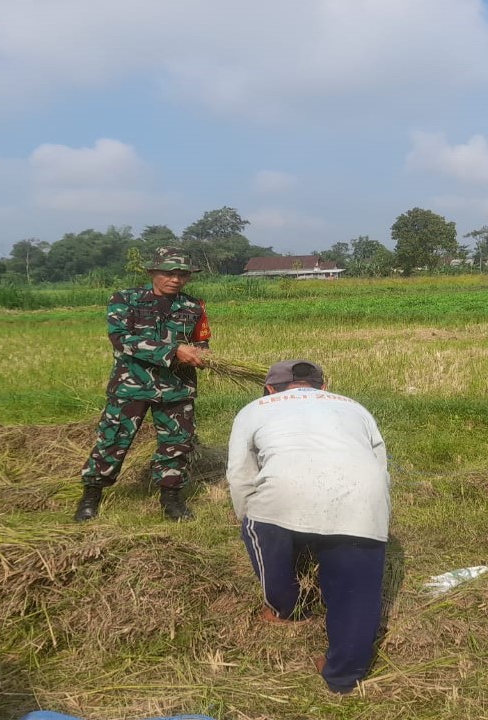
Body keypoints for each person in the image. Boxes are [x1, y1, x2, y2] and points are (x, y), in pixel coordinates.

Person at [226, 360, 390, 694]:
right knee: (356, 593)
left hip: (284, 494)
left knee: (263, 526)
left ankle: (286, 609)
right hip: (360, 496)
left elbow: (239, 474)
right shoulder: (355, 407)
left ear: (271, 389)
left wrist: (247, 518)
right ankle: (344, 677)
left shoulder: (256, 408)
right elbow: (380, 467)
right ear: (323, 388)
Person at [73, 246, 210, 523]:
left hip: (176, 388)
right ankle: (91, 496)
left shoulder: (193, 307)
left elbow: (201, 343)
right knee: (113, 440)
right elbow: (121, 339)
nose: (175, 279)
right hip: (131, 385)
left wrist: (201, 355)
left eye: (182, 275)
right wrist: (173, 351)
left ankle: (171, 499)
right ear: (152, 272)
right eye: (168, 273)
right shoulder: (125, 299)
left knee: (177, 444)